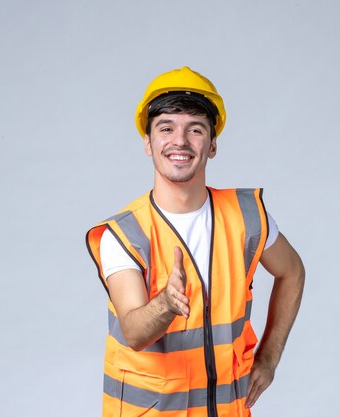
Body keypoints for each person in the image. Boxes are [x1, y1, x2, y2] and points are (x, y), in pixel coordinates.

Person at [86, 66, 305, 417]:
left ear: (213, 144)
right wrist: (165, 304)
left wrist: (269, 356)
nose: (180, 141)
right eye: (166, 128)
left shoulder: (246, 216)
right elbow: (134, 331)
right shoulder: (125, 234)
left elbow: (292, 272)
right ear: (148, 143)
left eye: (196, 129)